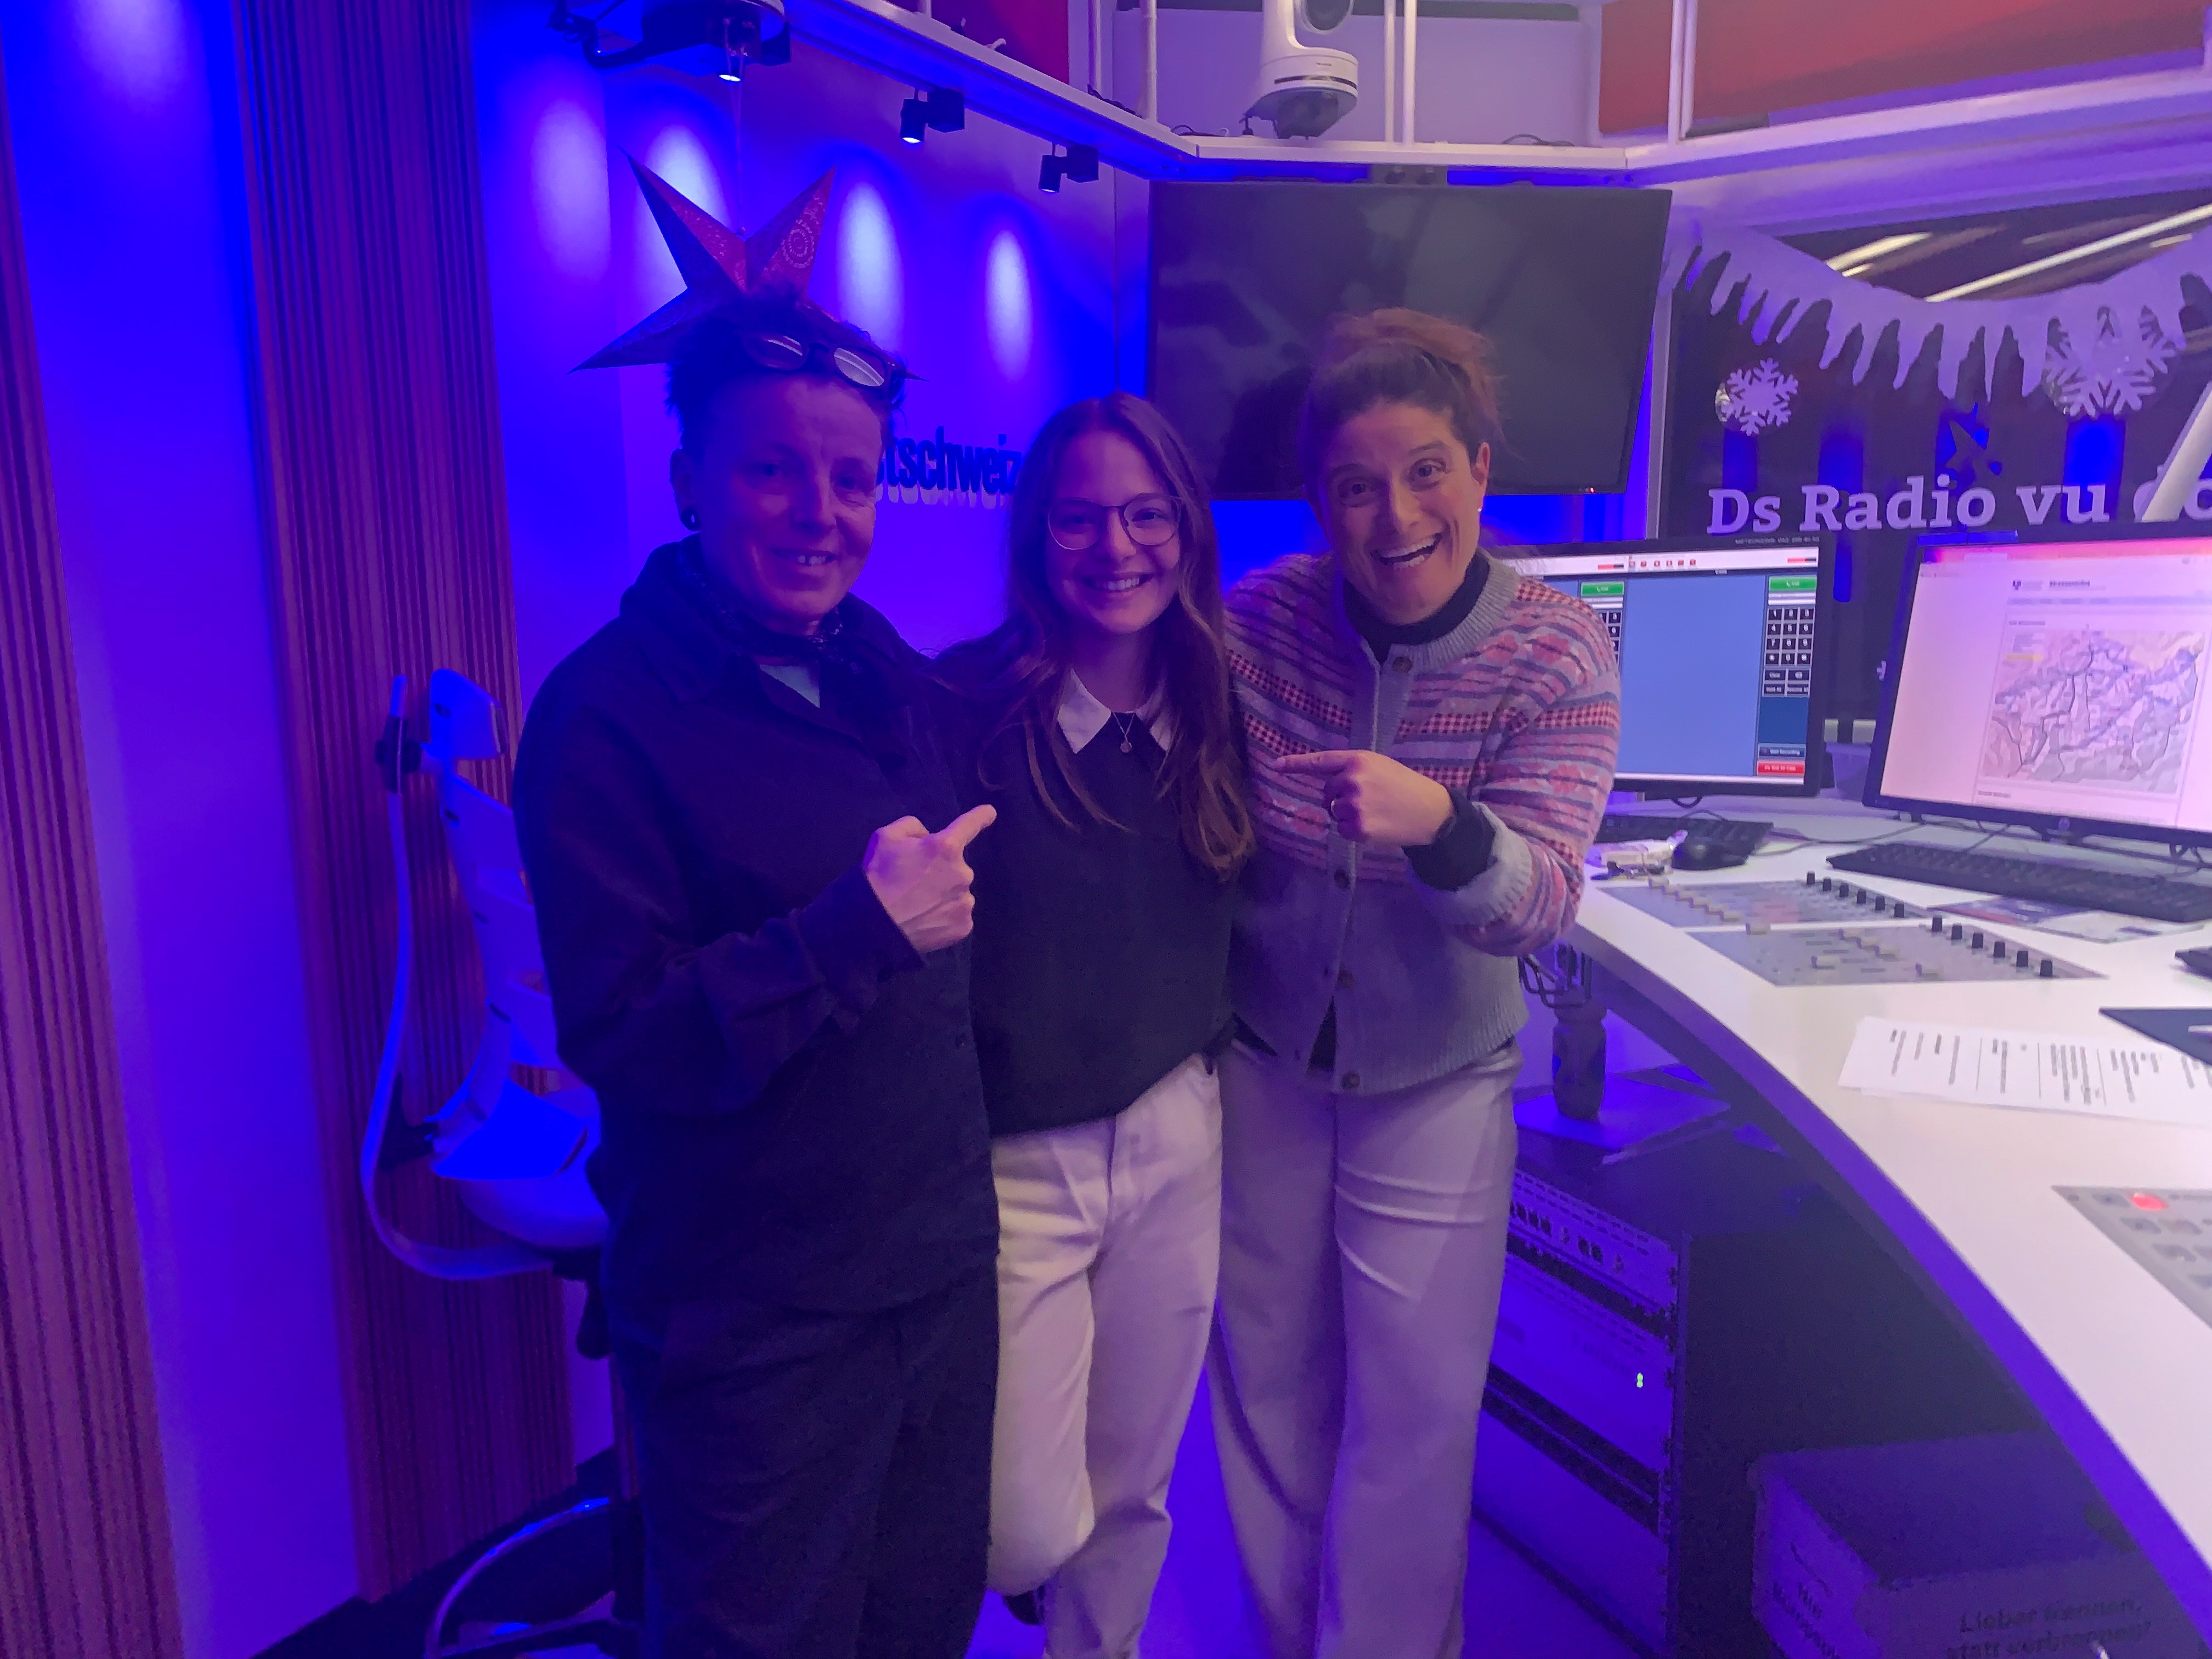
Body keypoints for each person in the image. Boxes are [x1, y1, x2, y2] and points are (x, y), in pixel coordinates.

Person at [513, 292, 1001, 1659]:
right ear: (689, 483)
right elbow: (629, 1031)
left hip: (934, 1274)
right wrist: (855, 929)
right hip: (757, 1316)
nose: (818, 514)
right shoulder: (605, 716)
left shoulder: (871, 659)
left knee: (921, 1629)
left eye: (853, 479)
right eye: (772, 469)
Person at [1209, 308, 1620, 1658]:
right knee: (1268, 1393)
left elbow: (1542, 901)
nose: (1394, 517)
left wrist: (1441, 825)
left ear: (1481, 470)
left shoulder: (1557, 648)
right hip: (1265, 1055)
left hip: (1438, 1071)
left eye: (1427, 471)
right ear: (1317, 502)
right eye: (1355, 486)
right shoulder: (1260, 622)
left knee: (1415, 1418)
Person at [935, 392, 1253, 1659]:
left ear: (1186, 528)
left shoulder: (1223, 710)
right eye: (1079, 519)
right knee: (1014, 1532)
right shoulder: (962, 708)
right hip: (1021, 1165)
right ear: (1036, 536)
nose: (1116, 548)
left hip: (1177, 1133)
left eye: (1145, 515)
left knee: (1133, 1494)